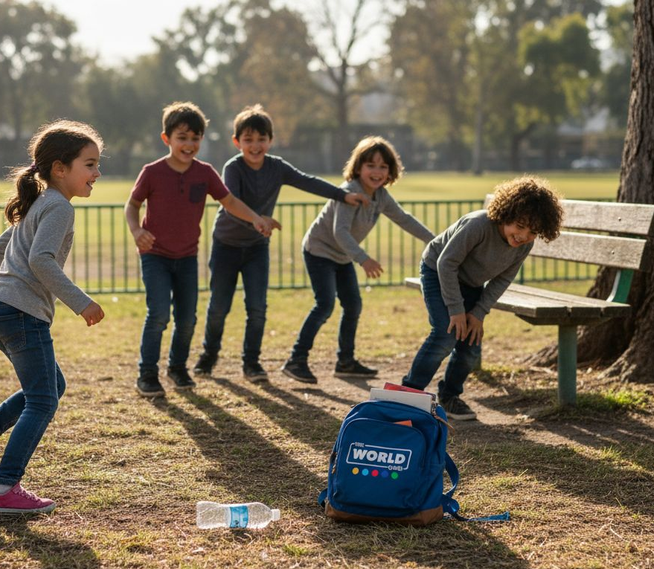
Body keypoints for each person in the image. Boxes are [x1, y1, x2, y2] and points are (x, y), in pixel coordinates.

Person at [0, 120, 106, 514]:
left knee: (52, 384)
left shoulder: (41, 203)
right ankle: (3, 489)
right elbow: (40, 259)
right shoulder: (58, 207)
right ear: (60, 168)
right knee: (43, 400)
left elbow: (0, 246)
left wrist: (8, 285)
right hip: (20, 313)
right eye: (89, 164)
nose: (96, 172)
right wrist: (81, 302)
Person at [192, 104, 370, 383]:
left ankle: (251, 363)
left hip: (256, 248)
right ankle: (209, 354)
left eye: (261, 139)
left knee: (258, 307)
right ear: (237, 142)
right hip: (226, 245)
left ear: (270, 141)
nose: (255, 145)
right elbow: (231, 205)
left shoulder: (276, 167)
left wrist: (342, 195)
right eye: (248, 140)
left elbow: (307, 181)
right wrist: (258, 220)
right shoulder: (233, 168)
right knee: (219, 307)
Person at [126, 101, 278, 398]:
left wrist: (257, 219)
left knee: (187, 318)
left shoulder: (205, 173)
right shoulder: (152, 172)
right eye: (182, 137)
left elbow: (230, 202)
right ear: (166, 138)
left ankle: (178, 368)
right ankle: (147, 374)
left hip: (186, 257)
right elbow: (132, 205)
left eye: (195, 138)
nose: (189, 144)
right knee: (158, 314)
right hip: (155, 255)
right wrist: (136, 230)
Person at [401, 175, 563, 420]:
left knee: (471, 345)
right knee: (446, 333)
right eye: (519, 226)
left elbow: (502, 280)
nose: (523, 236)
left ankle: (450, 396)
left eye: (533, 232)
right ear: (507, 213)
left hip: (470, 283)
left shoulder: (524, 246)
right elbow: (447, 263)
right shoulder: (478, 224)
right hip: (438, 271)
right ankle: (408, 396)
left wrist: (478, 313)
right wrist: (456, 310)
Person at [281, 136, 435, 384]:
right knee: (325, 305)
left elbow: (404, 219)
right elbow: (339, 231)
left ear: (390, 171)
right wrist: (364, 259)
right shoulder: (350, 191)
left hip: (342, 255)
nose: (377, 171)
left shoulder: (381, 196)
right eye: (370, 165)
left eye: (383, 166)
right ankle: (296, 360)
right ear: (358, 167)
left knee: (353, 305)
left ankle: (345, 362)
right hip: (319, 250)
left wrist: (434, 240)